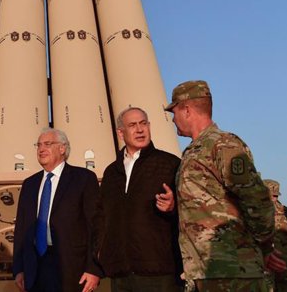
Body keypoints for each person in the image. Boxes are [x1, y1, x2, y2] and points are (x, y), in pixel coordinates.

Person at [166, 80, 286, 291]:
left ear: (186, 110)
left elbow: (256, 199)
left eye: (173, 112)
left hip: (232, 271)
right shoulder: (194, 151)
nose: (173, 119)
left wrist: (265, 245)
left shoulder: (223, 144)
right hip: (206, 270)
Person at [97, 106, 183, 291]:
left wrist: (173, 207)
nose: (140, 129)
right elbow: (103, 219)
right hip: (120, 273)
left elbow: (190, 211)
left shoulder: (170, 163)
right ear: (121, 133)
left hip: (159, 273)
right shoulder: (111, 173)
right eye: (132, 125)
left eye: (143, 124)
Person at [13, 128, 102, 292]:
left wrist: (94, 269)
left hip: (72, 269)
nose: (41, 149)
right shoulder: (29, 184)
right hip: (35, 269)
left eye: (47, 144)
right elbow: (21, 230)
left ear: (62, 148)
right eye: (38, 145)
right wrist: (19, 269)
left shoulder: (83, 179)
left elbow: (96, 227)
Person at [263, 179, 287, 292]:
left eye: (275, 196)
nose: (272, 199)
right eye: (269, 195)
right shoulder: (253, 213)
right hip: (265, 264)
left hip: (286, 263)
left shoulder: (286, 213)